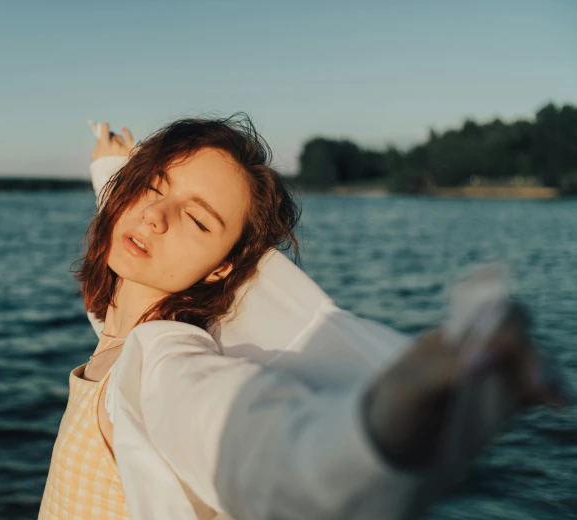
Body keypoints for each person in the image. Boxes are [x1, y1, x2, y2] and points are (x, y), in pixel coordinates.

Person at [37, 114, 569, 520]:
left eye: (197, 220)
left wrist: (389, 408)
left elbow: (257, 444)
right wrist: (110, 167)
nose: (154, 215)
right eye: (152, 186)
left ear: (224, 269)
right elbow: (126, 214)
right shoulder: (114, 322)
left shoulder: (158, 359)